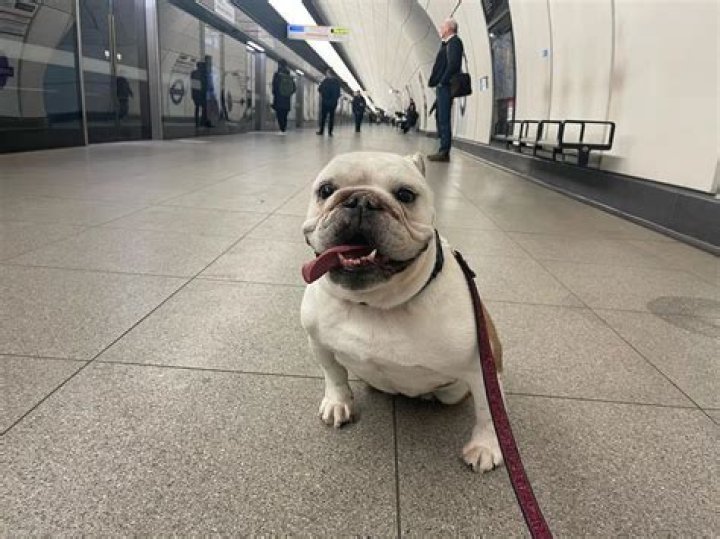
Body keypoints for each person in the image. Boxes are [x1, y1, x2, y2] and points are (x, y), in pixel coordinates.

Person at [427, 18, 464, 161]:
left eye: (442, 27)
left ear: (449, 28)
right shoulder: (447, 43)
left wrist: (442, 81)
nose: (440, 29)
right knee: (439, 116)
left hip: (446, 86)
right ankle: (442, 147)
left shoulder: (455, 42)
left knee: (444, 118)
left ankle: (444, 152)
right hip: (442, 86)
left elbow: (453, 64)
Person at [271, 59, 296, 133]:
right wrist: (288, 94)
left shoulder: (277, 74)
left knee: (279, 114)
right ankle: (283, 128)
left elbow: (274, 86)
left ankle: (282, 129)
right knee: (284, 115)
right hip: (287, 99)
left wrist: (275, 94)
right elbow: (294, 88)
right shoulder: (289, 75)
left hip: (278, 99)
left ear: (279, 65)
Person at [317, 69, 341, 136]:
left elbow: (319, 89)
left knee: (323, 117)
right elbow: (338, 93)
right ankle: (330, 132)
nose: (326, 74)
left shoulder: (325, 81)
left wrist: (324, 95)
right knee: (331, 118)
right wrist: (334, 100)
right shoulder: (337, 82)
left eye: (327, 73)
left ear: (329, 73)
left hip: (325, 102)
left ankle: (321, 131)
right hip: (333, 103)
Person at [190, 62, 208, 127]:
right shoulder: (203, 74)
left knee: (197, 108)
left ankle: (197, 122)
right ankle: (202, 122)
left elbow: (194, 85)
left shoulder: (193, 73)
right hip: (201, 94)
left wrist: (193, 95)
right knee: (204, 107)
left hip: (195, 94)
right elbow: (205, 84)